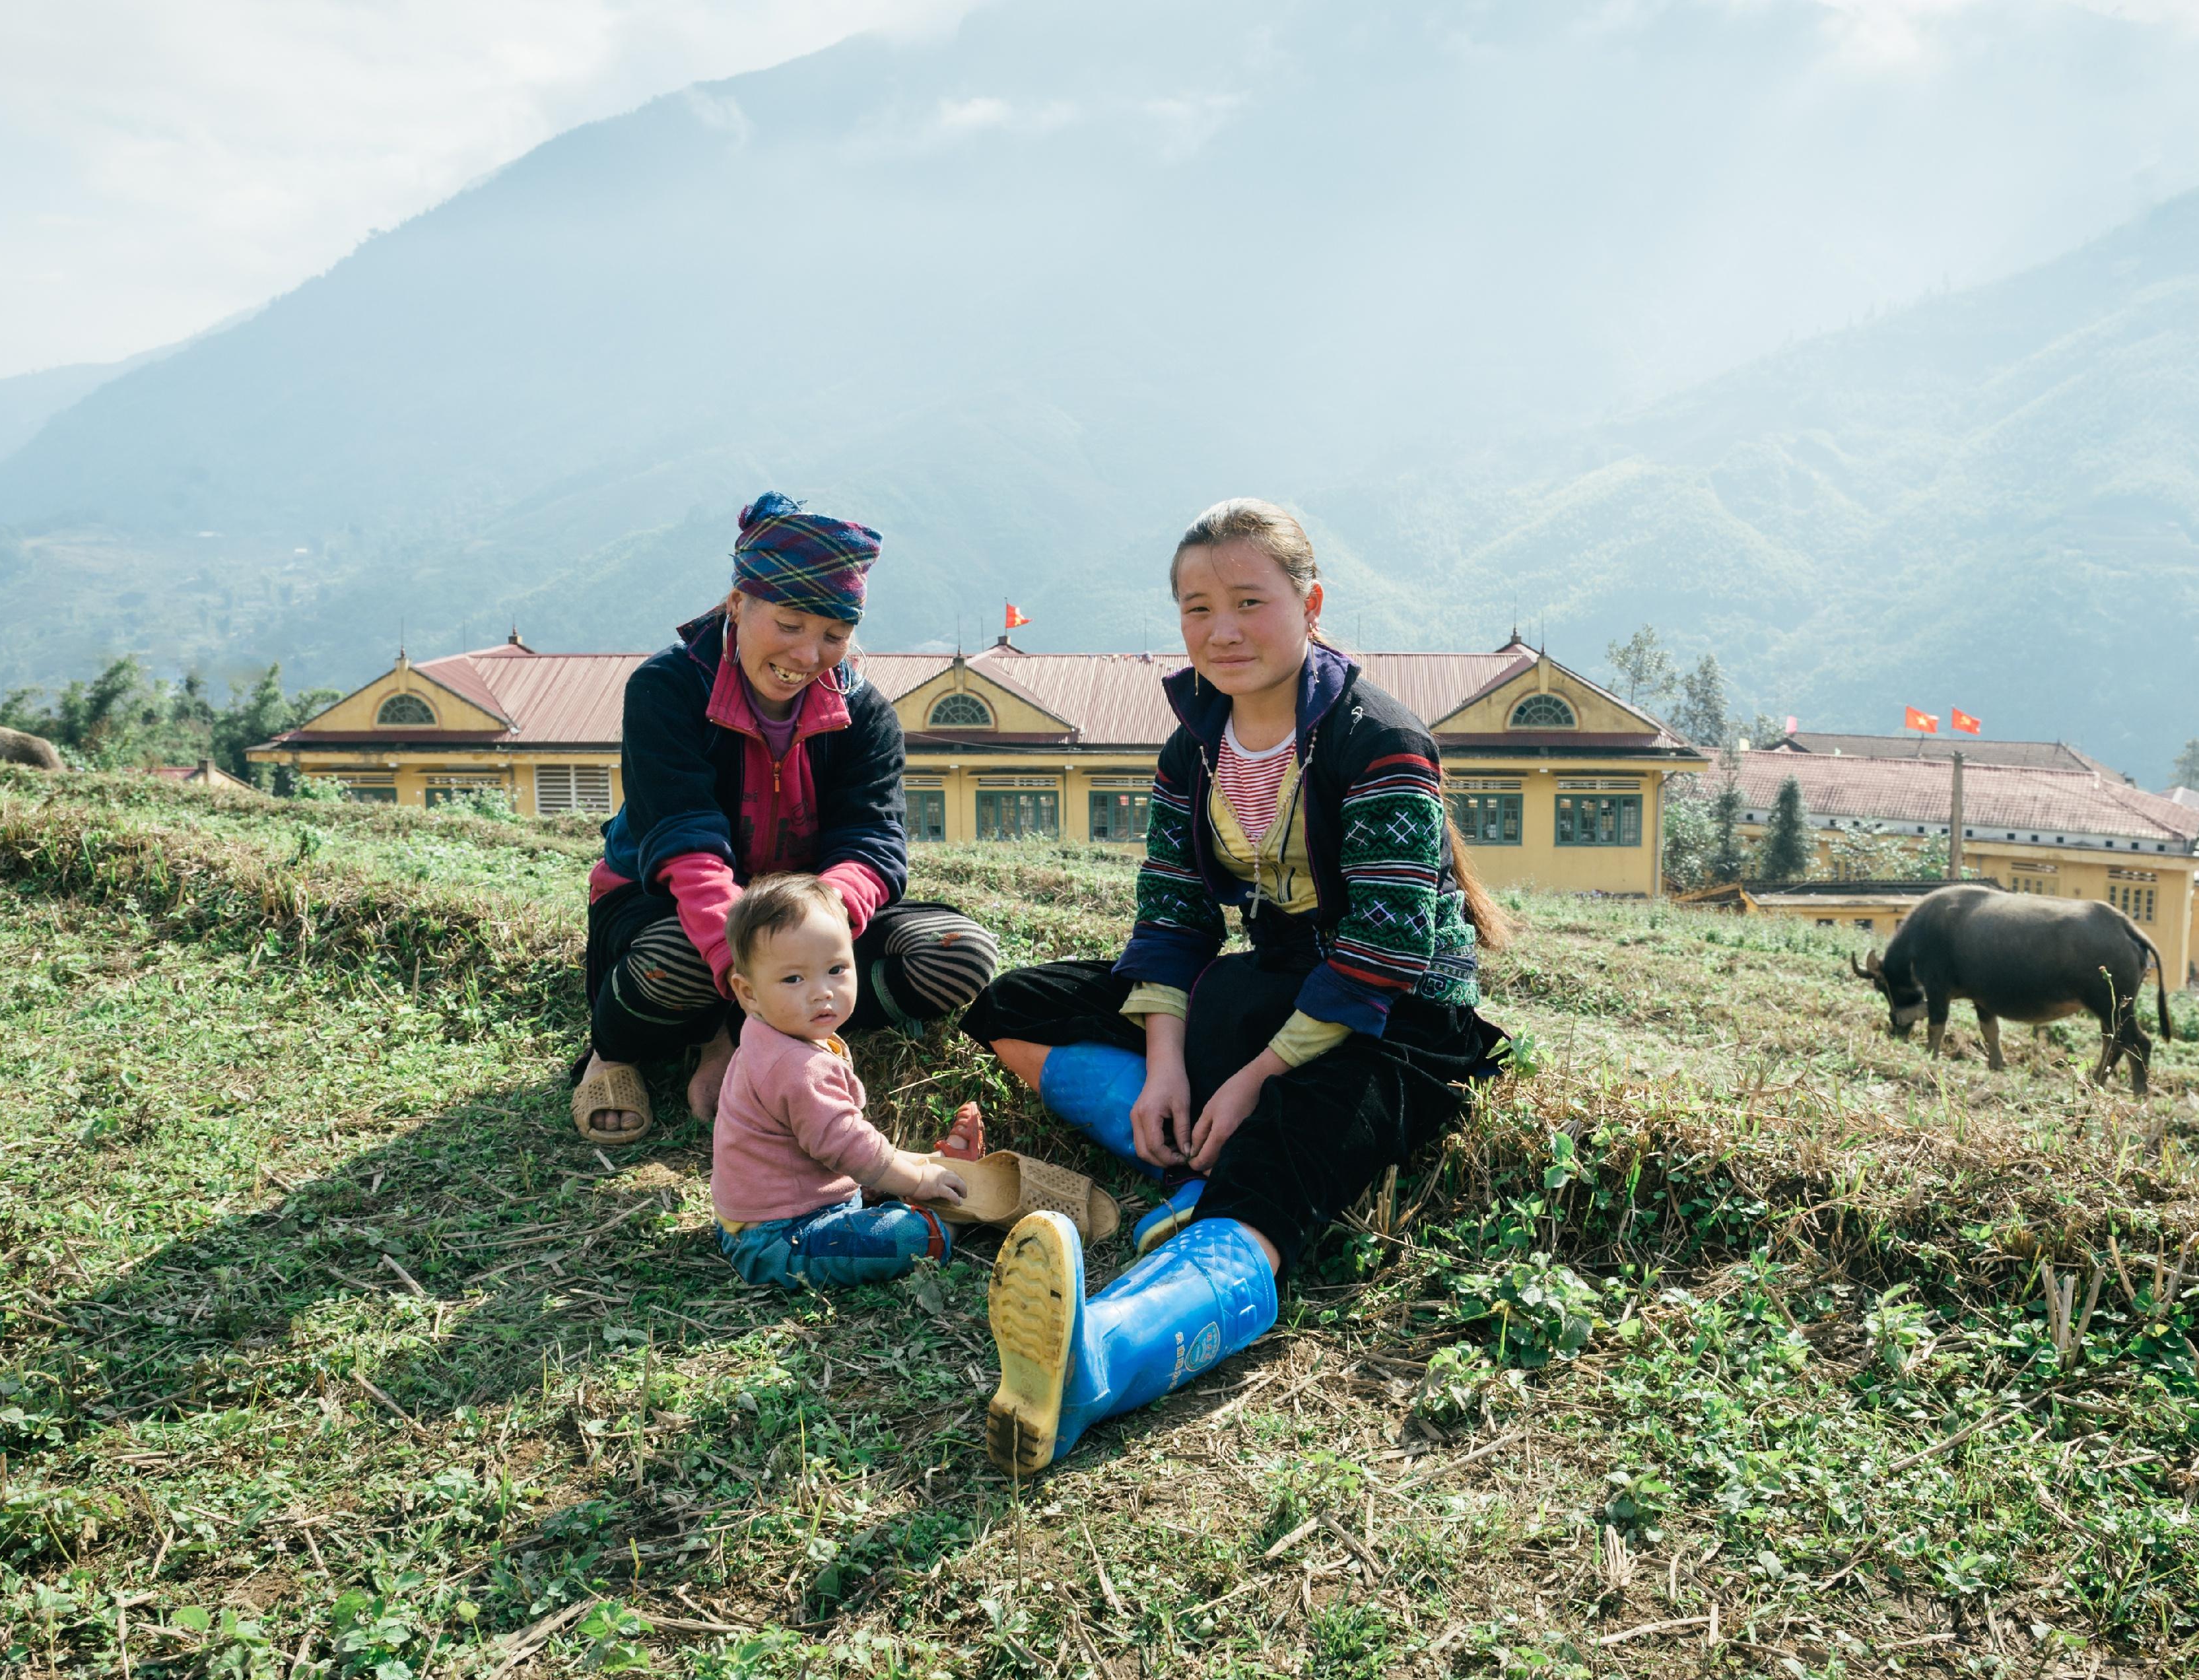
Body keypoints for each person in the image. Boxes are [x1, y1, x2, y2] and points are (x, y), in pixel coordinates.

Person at [960, 497, 1510, 1473]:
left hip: (1395, 1019)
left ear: (1311, 602)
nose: (1221, 630)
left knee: (1269, 1186)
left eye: (1249, 602)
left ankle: (1096, 1362)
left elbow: (1381, 954)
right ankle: (1180, 1155)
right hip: (1265, 983)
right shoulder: (1194, 744)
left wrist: (1252, 1076)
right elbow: (1169, 918)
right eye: (1196, 607)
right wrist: (1168, 1065)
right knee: (1014, 1004)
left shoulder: (1378, 738)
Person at [572, 491, 999, 1145]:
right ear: (739, 604)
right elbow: (688, 848)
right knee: (677, 959)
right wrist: (762, 971)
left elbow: (872, 845)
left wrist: (812, 931)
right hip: (669, 908)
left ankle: (748, 1038)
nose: (808, 653)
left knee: (958, 955)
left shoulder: (866, 715)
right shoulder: (665, 691)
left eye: (833, 634)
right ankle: (613, 1050)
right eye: (791, 623)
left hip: (805, 912)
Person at [711, 874, 982, 1288]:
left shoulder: (771, 1034)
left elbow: (841, 1140)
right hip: (779, 1238)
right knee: (905, 1236)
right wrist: (918, 1180)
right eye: (793, 979)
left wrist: (904, 1169)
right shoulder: (794, 1065)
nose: (822, 992)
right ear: (748, 993)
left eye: (836, 969)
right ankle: (943, 1222)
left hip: (781, 1210)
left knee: (880, 1170)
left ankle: (927, 1171)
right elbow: (848, 1147)